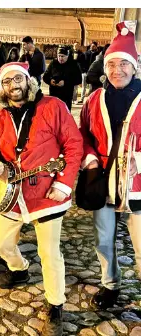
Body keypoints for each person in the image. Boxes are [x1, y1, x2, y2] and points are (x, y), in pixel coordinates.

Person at [0, 61, 83, 336]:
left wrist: (64, 184)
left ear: (28, 80)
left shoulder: (53, 106)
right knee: (1, 244)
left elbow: (73, 144)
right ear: (3, 87)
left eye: (18, 79)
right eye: (7, 81)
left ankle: (55, 305)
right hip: (12, 194)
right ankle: (19, 269)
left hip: (47, 193)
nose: (13, 85)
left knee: (49, 253)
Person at [80, 23, 141, 310]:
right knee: (103, 239)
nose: (117, 70)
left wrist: (137, 161)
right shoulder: (94, 98)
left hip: (137, 185)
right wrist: (90, 158)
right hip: (103, 181)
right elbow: (82, 135)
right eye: (112, 64)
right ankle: (110, 284)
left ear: (134, 66)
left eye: (124, 64)